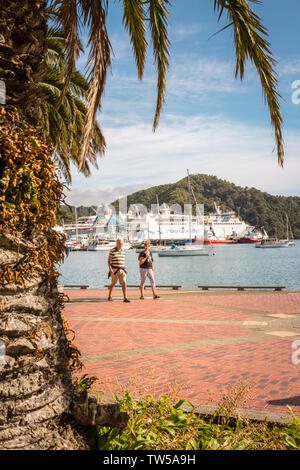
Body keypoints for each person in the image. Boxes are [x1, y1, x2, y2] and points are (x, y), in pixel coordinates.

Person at [108, 238, 130, 302]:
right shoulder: (112, 251)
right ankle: (109, 296)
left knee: (124, 283)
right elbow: (109, 261)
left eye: (121, 244)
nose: (120, 245)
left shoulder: (123, 251)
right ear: (116, 244)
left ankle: (125, 298)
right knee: (113, 283)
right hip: (115, 270)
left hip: (122, 270)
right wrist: (110, 270)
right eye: (119, 244)